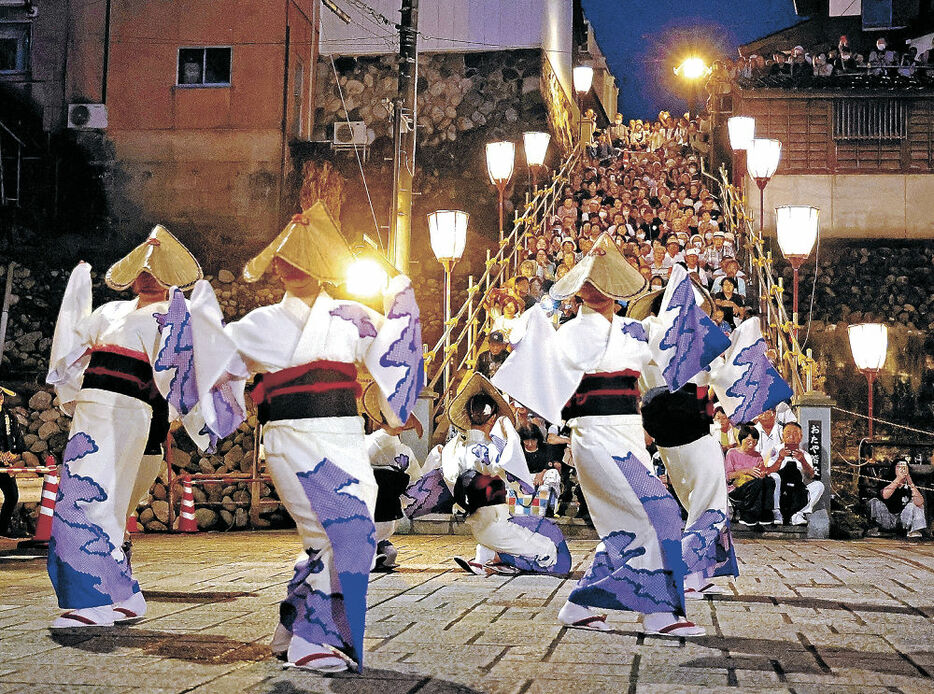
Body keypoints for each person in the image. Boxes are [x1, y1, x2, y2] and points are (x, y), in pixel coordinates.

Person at [196, 203, 424, 674]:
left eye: (306, 257)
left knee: (346, 534)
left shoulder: (353, 316)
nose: (295, 266)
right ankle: (312, 640)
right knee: (336, 533)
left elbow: (393, 354)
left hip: (344, 435)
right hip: (290, 437)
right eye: (287, 258)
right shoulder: (256, 325)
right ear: (277, 264)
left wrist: (398, 291)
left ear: (322, 263)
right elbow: (209, 369)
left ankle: (291, 629)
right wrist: (187, 321)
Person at [493, 234, 709, 637]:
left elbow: (667, 362)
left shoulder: (634, 331)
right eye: (585, 282)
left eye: (599, 281)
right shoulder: (565, 333)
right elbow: (543, 381)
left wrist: (683, 299)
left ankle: (580, 604)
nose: (591, 288)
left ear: (615, 286)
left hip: (629, 434)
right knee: (657, 511)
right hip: (592, 435)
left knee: (625, 522)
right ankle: (659, 612)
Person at [44, 226, 231, 629]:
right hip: (91, 410)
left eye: (156, 267)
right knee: (99, 498)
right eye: (143, 266)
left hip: (127, 412)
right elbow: (74, 354)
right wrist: (77, 297)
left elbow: (182, 373)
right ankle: (123, 596)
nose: (147, 273)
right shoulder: (109, 311)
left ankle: (92, 602)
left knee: (89, 496)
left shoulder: (171, 317)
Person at [435, 374, 570, 577]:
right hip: (499, 525)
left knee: (498, 522)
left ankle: (484, 560)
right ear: (493, 418)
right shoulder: (495, 448)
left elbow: (452, 479)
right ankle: (509, 560)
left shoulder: (455, 449)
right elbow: (512, 473)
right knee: (551, 551)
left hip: (477, 524)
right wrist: (507, 431)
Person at [361, 383, 424, 570]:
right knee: (388, 552)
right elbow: (415, 485)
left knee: (388, 552)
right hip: (387, 515)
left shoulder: (364, 443)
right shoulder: (405, 452)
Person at [764, 422, 824, 525]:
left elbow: (811, 476)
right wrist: (780, 458)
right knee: (774, 477)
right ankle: (776, 511)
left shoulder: (805, 455)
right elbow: (768, 472)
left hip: (797, 493)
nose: (791, 436)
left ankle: (798, 514)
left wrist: (803, 461)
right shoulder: (775, 450)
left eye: (795, 433)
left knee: (819, 485)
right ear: (782, 436)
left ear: (800, 437)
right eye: (788, 433)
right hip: (779, 492)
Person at [724, 425, 776, 527]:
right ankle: (749, 513)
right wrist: (746, 471)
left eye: (754, 441)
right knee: (757, 483)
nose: (752, 444)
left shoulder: (757, 455)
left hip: (755, 486)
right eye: (748, 441)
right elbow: (728, 476)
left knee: (769, 481)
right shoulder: (732, 453)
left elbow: (762, 472)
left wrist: (762, 473)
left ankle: (765, 512)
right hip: (737, 489)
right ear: (741, 440)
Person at [867, 458, 926, 538]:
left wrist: (910, 482)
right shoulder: (886, 479)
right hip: (887, 517)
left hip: (903, 519)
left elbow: (920, 502)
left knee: (916, 504)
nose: (902, 470)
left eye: (904, 467)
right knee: (873, 502)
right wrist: (898, 479)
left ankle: (913, 531)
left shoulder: (911, 481)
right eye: (899, 467)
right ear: (894, 469)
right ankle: (877, 529)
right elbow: (885, 495)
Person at [0, 386, 24, 537]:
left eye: (0, 394)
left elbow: (20, 445)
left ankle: (1, 529)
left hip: (5, 465)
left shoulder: (9, 417)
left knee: (12, 495)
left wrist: (13, 455)